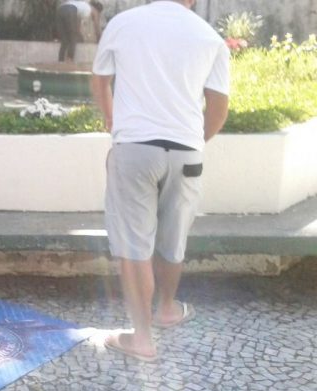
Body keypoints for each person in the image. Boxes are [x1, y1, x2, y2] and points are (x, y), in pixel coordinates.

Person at [90, 0, 230, 362]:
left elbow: (100, 80)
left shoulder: (123, 23)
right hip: (187, 153)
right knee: (174, 237)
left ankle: (141, 338)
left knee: (134, 245)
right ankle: (167, 308)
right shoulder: (210, 37)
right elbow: (219, 108)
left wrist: (113, 122)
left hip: (135, 149)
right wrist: (194, 141)